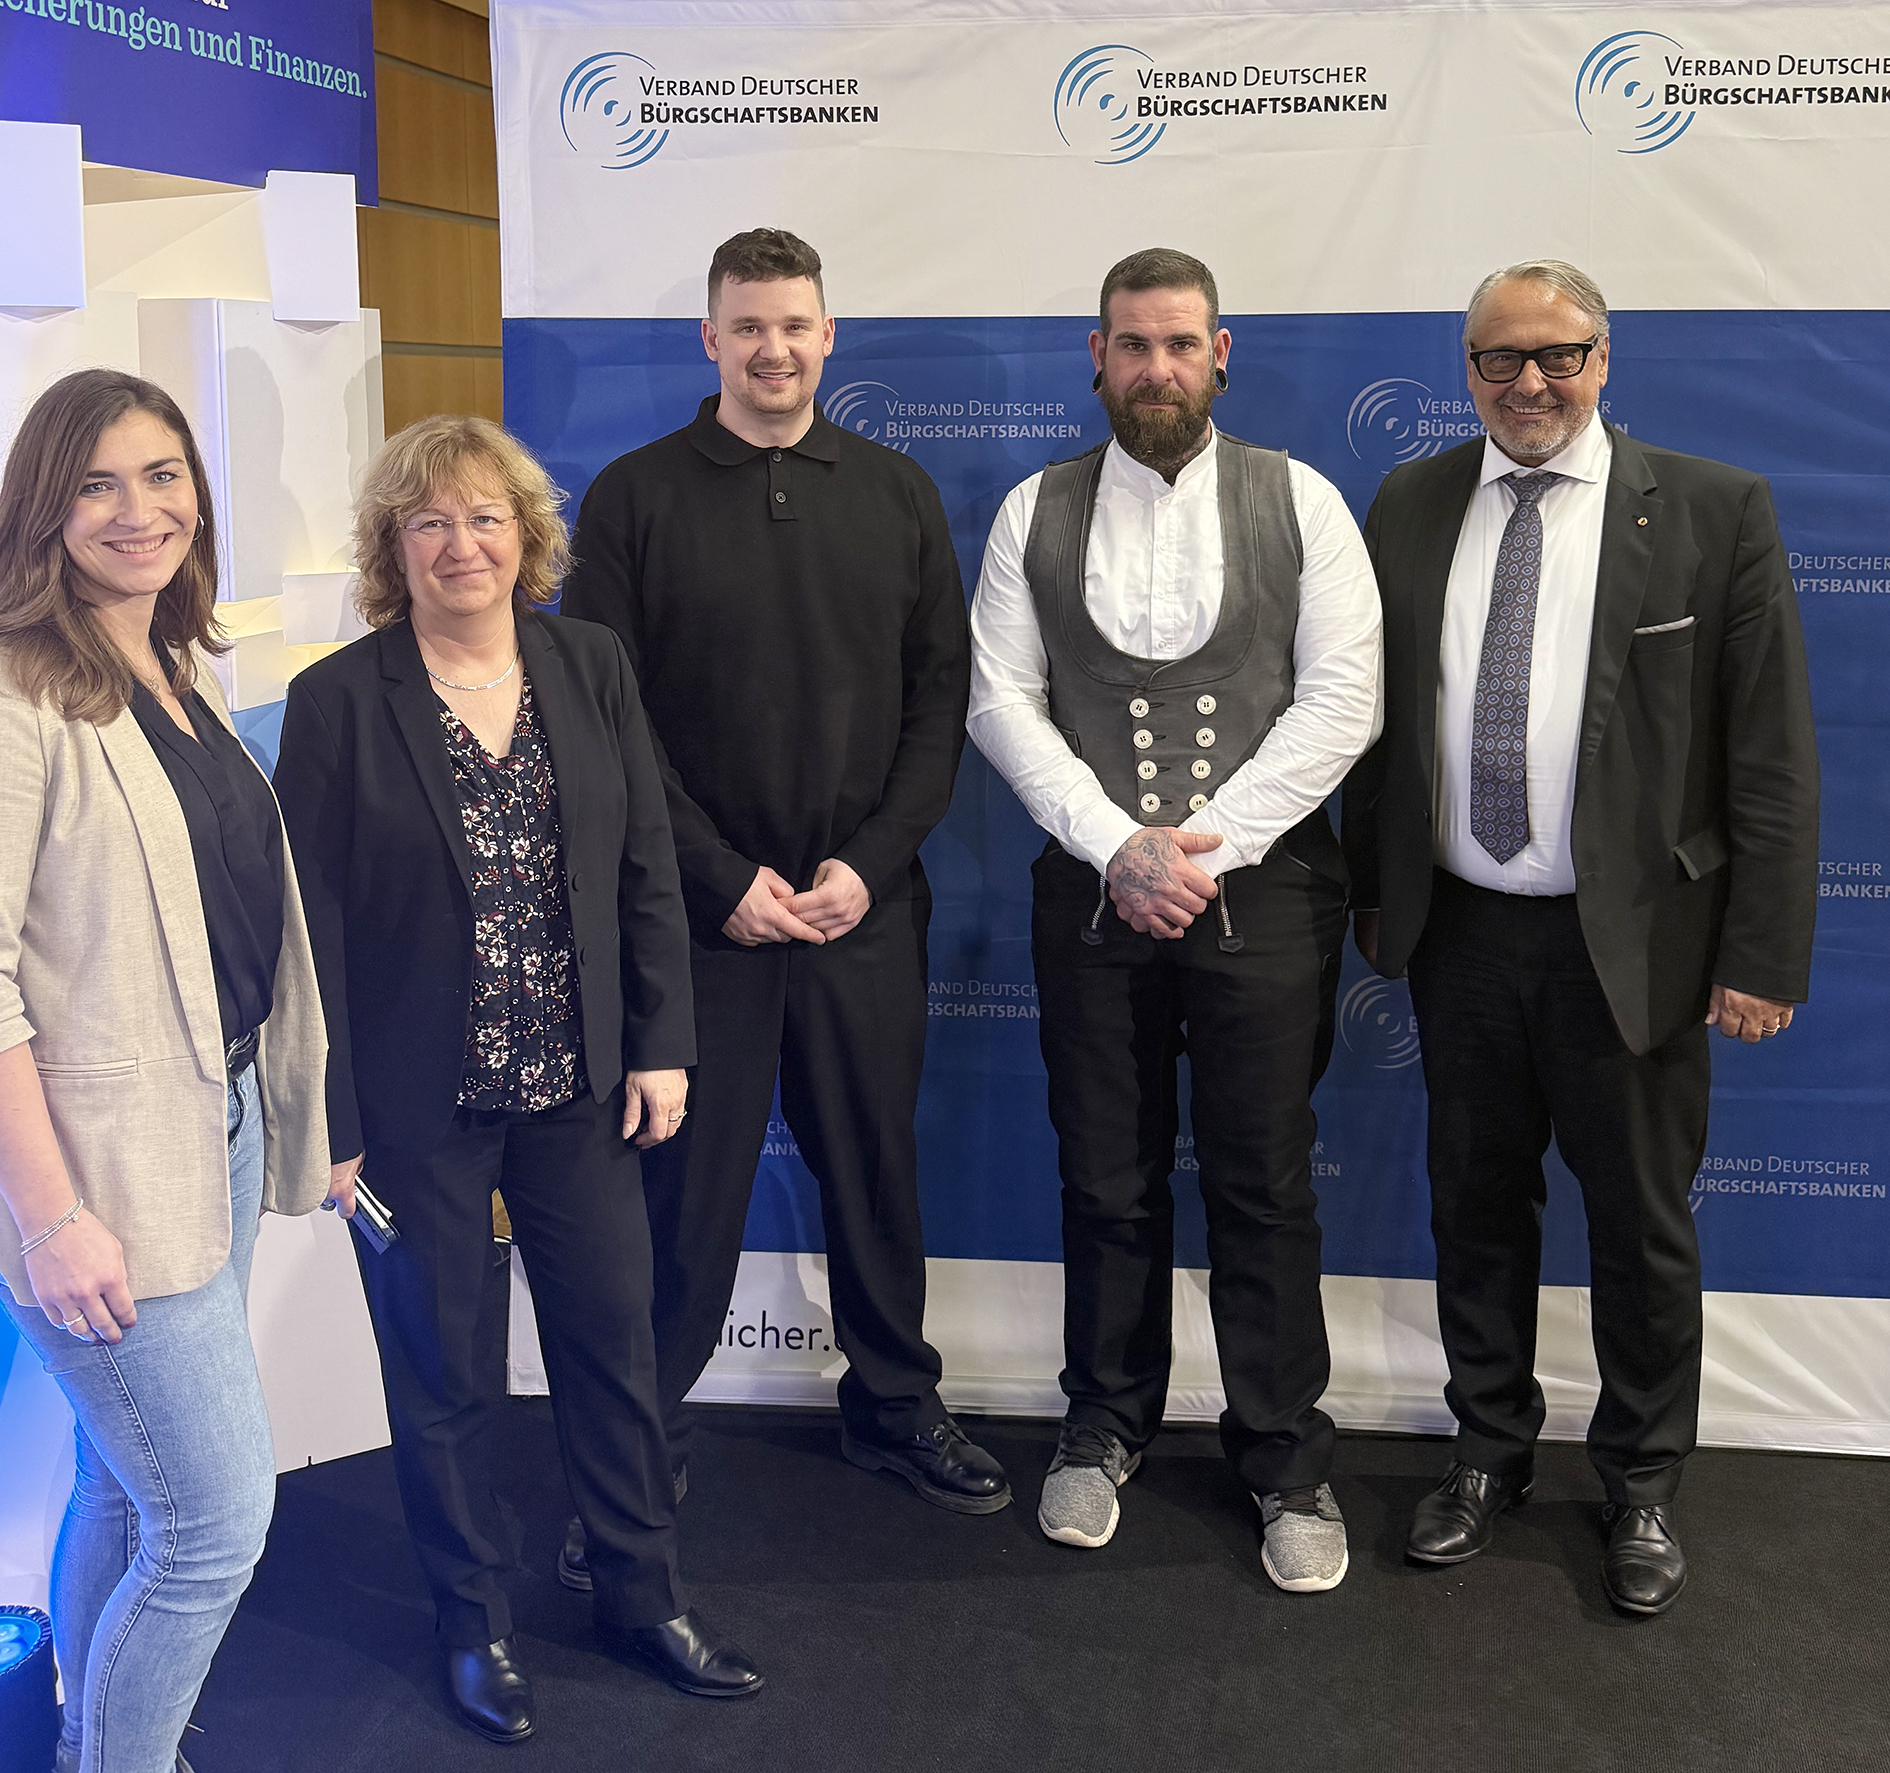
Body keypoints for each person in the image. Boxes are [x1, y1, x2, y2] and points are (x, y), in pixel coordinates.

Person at [272, 415, 761, 1740]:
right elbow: (311, 929)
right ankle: (473, 1622)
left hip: (579, 1089)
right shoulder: (336, 701)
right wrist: (331, 1117)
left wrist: (661, 1040)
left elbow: (644, 860)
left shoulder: (587, 663)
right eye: (428, 521)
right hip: (415, 1107)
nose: (461, 544)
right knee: (444, 1373)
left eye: (485, 516)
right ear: (391, 547)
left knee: (614, 1346)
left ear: (526, 535)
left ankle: (642, 1595)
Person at [1342, 260, 1818, 1615]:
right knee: (1475, 1207)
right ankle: (1485, 1454)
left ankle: (1641, 1483)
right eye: (1499, 357)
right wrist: (1373, 897)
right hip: (1459, 933)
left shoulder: (1713, 508)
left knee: (1641, 1228)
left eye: (1558, 354)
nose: (1529, 383)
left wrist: (1760, 953)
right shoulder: (1411, 499)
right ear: (1466, 368)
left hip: (1640, 942)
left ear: (1604, 358)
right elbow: (1372, 722)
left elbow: (1770, 753)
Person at [559, 226, 1008, 1547]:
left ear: (828, 335)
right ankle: (637, 1450)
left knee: (874, 1177)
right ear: (710, 339)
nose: (773, 348)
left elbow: (940, 703)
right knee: (681, 1202)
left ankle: (894, 1405)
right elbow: (610, 723)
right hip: (698, 927)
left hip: (860, 914)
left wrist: (868, 866)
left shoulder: (896, 493)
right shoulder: (633, 499)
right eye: (747, 326)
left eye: (794, 324)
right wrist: (718, 879)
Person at [967, 250, 1382, 1588]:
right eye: (1133, 345)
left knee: (1262, 1180)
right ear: (1097, 357)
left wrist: (1201, 850)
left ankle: (1285, 1458)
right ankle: (1103, 1423)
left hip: (1263, 896)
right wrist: (1117, 848)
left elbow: (1343, 700)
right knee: (1105, 1174)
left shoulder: (1302, 500)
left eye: (1179, 344)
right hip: (1093, 895)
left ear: (1220, 355)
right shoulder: (1031, 509)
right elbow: (999, 701)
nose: (1157, 369)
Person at [0, 368, 333, 1773]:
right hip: (102, 1172)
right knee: (211, 1525)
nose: (138, 511)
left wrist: (298, 1108)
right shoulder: (18, 690)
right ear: (42, 508)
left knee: (124, 1490)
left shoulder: (174, 669)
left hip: (217, 1121)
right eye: (95, 484)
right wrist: (49, 1217)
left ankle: (90, 1742)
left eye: (161, 475)